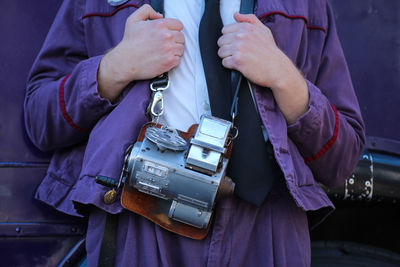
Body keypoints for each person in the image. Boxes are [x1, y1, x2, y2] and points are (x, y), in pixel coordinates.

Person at [25, 0, 365, 266]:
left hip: (265, 230)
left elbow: (342, 159)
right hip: (140, 218)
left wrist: (284, 78)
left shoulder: (307, 6)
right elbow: (41, 121)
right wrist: (114, 68)